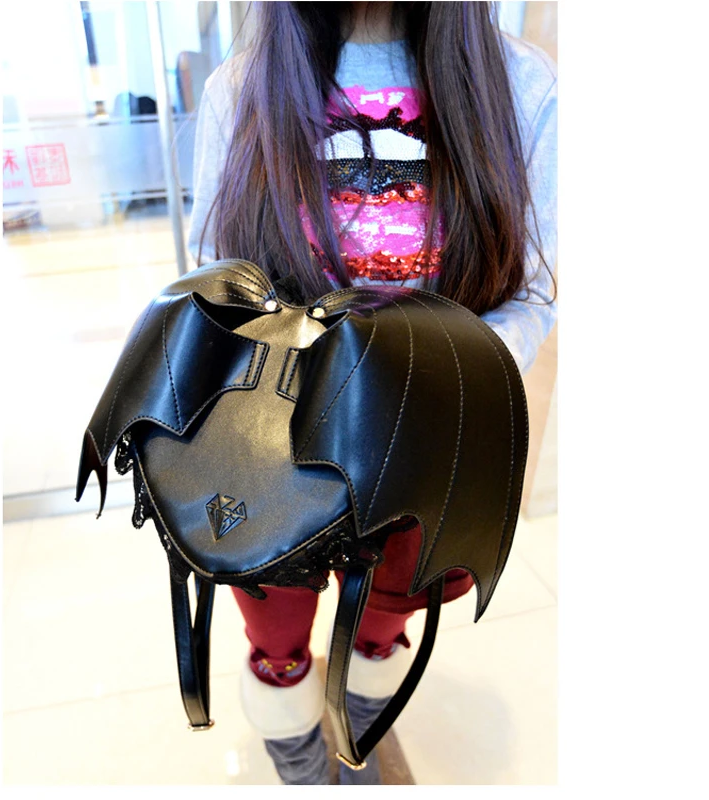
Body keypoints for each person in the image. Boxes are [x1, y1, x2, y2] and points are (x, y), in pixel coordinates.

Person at [186, 1, 557, 785]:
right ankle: (299, 756)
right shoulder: (242, 87)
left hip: (426, 453)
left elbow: (531, 293)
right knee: (277, 636)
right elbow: (213, 279)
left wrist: (436, 371)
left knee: (385, 623)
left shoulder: (522, 86)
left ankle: (359, 728)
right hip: (273, 450)